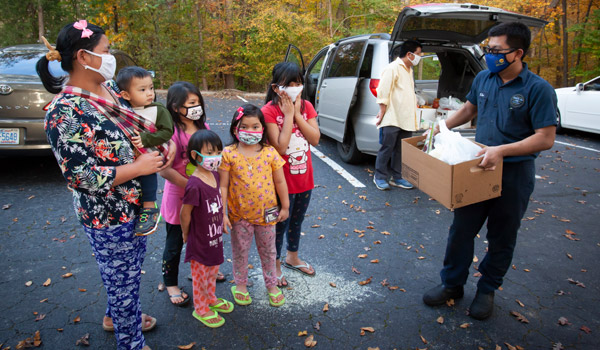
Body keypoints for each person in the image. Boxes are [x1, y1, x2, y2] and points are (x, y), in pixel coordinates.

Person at [38, 20, 175, 350]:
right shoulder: (64, 112)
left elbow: (134, 129)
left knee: (126, 273)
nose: (111, 56)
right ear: (85, 57)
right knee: (122, 278)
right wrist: (138, 167)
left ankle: (117, 315)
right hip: (107, 215)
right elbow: (80, 176)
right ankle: (130, 341)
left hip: (136, 203)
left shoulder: (110, 89)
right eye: (106, 51)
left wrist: (158, 148)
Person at [422, 22, 557, 320]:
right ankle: (452, 284)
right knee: (461, 231)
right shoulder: (484, 78)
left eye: (496, 50)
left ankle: (487, 289)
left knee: (502, 236)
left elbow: (545, 137)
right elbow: (470, 109)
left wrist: (502, 151)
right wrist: (440, 127)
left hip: (514, 175)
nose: (489, 55)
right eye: (487, 49)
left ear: (517, 53)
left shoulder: (538, 89)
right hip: (477, 168)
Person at [218, 104, 290, 307]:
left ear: (263, 129)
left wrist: (285, 206)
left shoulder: (270, 153)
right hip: (239, 215)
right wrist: (222, 213)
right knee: (240, 251)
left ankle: (272, 284)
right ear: (235, 128)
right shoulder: (228, 154)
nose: (250, 131)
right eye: (245, 126)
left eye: (255, 126)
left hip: (268, 215)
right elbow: (223, 185)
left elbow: (280, 181)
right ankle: (240, 284)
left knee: (269, 251)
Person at [261, 62, 320, 287]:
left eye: (298, 83)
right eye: (289, 84)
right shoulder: (268, 111)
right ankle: (274, 264)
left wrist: (297, 114)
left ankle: (292, 257)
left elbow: (314, 138)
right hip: (279, 182)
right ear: (276, 88)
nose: (295, 88)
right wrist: (288, 116)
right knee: (278, 224)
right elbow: (281, 147)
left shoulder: (305, 106)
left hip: (304, 178)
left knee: (297, 220)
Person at [158, 81, 210, 306]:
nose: (196, 106)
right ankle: (170, 283)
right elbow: (165, 170)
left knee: (201, 238)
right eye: (191, 103)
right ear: (176, 107)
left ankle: (201, 271)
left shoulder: (203, 128)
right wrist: (191, 185)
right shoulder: (171, 134)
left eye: (198, 102)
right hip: (179, 197)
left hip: (202, 197)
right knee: (175, 242)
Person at [180, 129, 234, 328]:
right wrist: (186, 233)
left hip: (214, 238)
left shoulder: (215, 176)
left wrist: (222, 219)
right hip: (200, 241)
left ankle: (210, 298)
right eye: (210, 153)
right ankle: (201, 307)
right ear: (195, 155)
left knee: (212, 271)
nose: (216, 157)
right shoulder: (194, 184)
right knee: (200, 276)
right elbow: (185, 213)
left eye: (218, 152)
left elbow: (218, 201)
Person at [116, 66, 174, 236]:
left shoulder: (158, 110)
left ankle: (149, 206)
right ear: (126, 95)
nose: (150, 93)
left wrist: (146, 139)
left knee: (148, 175)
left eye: (151, 88)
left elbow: (167, 131)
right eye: (142, 90)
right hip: (127, 158)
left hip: (148, 154)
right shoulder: (123, 109)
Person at [373, 40, 423, 191]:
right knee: (387, 147)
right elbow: (383, 91)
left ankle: (398, 177)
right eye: (419, 54)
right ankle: (380, 177)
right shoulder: (392, 68)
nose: (420, 57)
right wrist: (382, 111)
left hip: (405, 118)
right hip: (392, 116)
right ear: (410, 54)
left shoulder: (409, 70)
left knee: (401, 149)